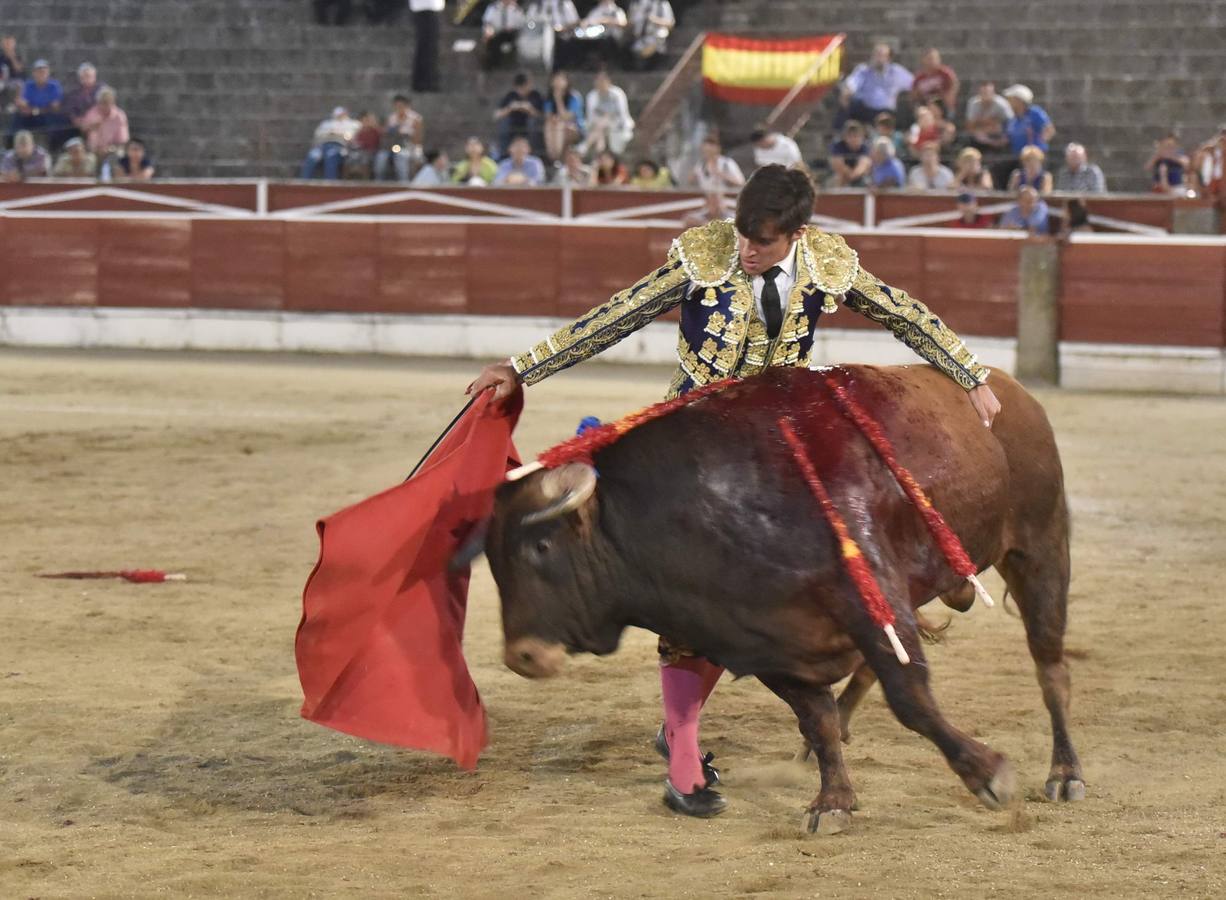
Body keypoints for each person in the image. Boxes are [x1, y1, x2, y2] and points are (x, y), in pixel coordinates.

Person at [466, 165, 1001, 818]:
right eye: (744, 236)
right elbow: (612, 317)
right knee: (680, 593)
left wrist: (969, 373)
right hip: (690, 448)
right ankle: (684, 758)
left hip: (783, 445)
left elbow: (903, 313)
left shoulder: (826, 263)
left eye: (764, 243)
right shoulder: (706, 253)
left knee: (836, 556)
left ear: (797, 234)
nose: (747, 251)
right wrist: (520, 369)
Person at [837, 42, 913, 127]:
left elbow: (914, 84)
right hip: (867, 110)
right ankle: (838, 135)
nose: (879, 59)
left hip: (888, 112)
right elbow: (851, 84)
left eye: (882, 56)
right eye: (876, 55)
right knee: (849, 104)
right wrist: (847, 92)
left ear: (889, 58)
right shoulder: (863, 71)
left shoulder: (896, 72)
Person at [12, 59, 71, 147]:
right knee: (18, 118)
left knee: (57, 120)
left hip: (47, 116)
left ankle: (54, 147)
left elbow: (55, 106)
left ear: (48, 73)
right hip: (32, 116)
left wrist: (35, 109)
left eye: (43, 71)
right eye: (38, 71)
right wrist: (34, 108)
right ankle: (12, 143)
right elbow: (23, 104)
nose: (41, 74)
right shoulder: (28, 85)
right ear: (34, 73)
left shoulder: (54, 86)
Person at [583, 69, 634, 156]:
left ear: (609, 82)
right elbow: (590, 116)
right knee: (600, 134)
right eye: (598, 81)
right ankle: (598, 157)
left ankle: (584, 147)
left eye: (603, 80)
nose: (601, 83)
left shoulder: (617, 93)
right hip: (598, 125)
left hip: (615, 122)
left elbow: (622, 113)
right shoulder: (591, 95)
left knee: (602, 124)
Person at [374, 94, 424, 182]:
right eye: (396, 106)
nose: (399, 108)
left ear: (407, 106)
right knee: (381, 157)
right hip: (392, 146)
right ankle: (379, 182)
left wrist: (406, 136)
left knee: (401, 157)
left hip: (409, 146)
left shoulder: (416, 119)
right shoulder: (391, 118)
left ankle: (403, 183)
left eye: (401, 106)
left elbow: (418, 138)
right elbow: (386, 133)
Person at [494, 72, 544, 158]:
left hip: (531, 127)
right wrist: (510, 108)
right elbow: (496, 115)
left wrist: (529, 109)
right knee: (504, 123)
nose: (522, 91)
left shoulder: (536, 95)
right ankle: (504, 154)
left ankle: (533, 153)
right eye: (520, 88)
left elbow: (542, 116)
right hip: (513, 126)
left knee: (532, 121)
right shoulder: (511, 95)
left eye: (525, 87)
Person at [299, 106, 358, 180]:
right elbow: (317, 136)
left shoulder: (353, 124)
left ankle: (330, 183)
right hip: (322, 146)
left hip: (339, 147)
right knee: (312, 156)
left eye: (342, 114)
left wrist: (339, 135)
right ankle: (304, 181)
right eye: (338, 114)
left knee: (330, 156)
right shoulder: (326, 124)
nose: (340, 116)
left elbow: (353, 138)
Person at [542, 71, 585, 164]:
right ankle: (553, 155)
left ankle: (556, 157)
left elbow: (567, 117)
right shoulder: (549, 97)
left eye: (561, 79)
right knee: (549, 125)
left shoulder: (574, 97)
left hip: (575, 128)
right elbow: (548, 116)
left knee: (560, 125)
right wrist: (554, 118)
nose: (558, 82)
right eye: (556, 79)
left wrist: (558, 99)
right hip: (555, 127)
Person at [525, 0, 580, 71]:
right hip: (539, 39)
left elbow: (575, 22)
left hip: (561, 39)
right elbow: (528, 22)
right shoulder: (536, 4)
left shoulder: (564, 3)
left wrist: (562, 28)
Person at [77, 87, 129, 160]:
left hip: (112, 149)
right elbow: (82, 129)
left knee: (118, 156)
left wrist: (108, 149)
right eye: (101, 102)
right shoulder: (92, 113)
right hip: (92, 149)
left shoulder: (119, 116)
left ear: (113, 102)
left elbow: (122, 141)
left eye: (107, 102)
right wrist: (91, 127)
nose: (104, 105)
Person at [1002, 84, 1055, 157]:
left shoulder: (1034, 112)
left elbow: (1049, 130)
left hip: (1034, 158)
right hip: (1017, 157)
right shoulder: (1012, 118)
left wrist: (1037, 147)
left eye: (1011, 99)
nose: (1009, 101)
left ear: (1019, 100)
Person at [964, 81, 1013, 155]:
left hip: (999, 134)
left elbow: (1011, 122)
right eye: (983, 93)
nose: (986, 96)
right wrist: (986, 123)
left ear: (993, 93)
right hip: (980, 134)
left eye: (988, 93)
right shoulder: (973, 103)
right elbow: (969, 126)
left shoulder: (1002, 104)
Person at [576, 0, 628, 68]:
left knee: (606, 42)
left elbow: (624, 24)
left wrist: (608, 21)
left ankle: (605, 65)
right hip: (596, 37)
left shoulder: (617, 11)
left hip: (613, 39)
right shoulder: (596, 10)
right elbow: (587, 22)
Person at [626, 0, 675, 70]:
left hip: (655, 39)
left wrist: (654, 20)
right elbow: (630, 22)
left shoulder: (661, 3)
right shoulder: (636, 3)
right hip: (638, 40)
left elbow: (670, 24)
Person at [480, 0, 526, 71]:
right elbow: (487, 22)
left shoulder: (516, 9)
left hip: (512, 33)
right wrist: (488, 32)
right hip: (496, 32)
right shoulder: (493, 7)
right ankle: (492, 65)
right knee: (492, 40)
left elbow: (522, 23)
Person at [910, 48, 958, 113]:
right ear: (923, 60)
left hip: (942, 105)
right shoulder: (919, 78)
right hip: (926, 105)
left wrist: (948, 97)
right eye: (930, 59)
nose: (933, 61)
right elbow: (914, 96)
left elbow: (953, 85)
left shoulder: (945, 73)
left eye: (935, 58)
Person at [63, 63, 106, 135]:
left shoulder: (102, 89)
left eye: (89, 76)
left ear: (94, 76)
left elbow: (108, 105)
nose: (87, 79)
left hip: (99, 121)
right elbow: (70, 109)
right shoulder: (74, 92)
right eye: (84, 77)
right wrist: (75, 119)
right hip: (80, 123)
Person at [409, 0, 443, 93]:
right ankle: (425, 81)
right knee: (427, 47)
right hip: (427, 7)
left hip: (426, 7)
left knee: (427, 47)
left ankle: (425, 81)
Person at [828, 121, 871, 187]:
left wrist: (853, 176)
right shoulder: (838, 146)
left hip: (860, 176)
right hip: (842, 176)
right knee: (837, 179)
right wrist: (849, 175)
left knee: (868, 182)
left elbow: (864, 165)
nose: (853, 139)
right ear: (845, 136)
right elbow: (837, 164)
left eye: (856, 135)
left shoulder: (865, 147)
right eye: (850, 135)